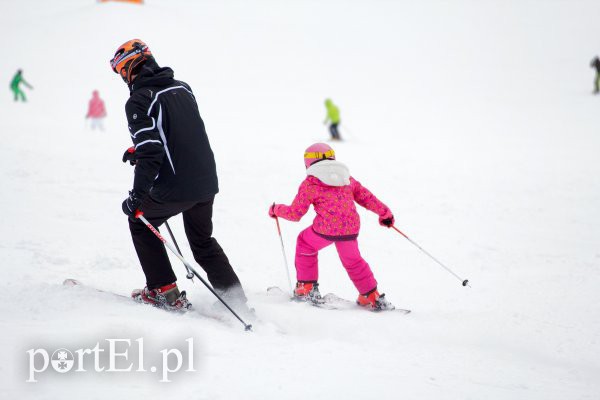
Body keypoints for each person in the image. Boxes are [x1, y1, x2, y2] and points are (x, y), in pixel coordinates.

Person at [110, 39, 248, 311]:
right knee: (202, 241)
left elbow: (152, 152)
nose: (121, 78)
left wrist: (137, 196)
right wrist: (140, 149)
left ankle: (165, 293)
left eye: (120, 72)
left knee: (140, 221)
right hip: (205, 181)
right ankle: (236, 301)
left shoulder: (139, 99)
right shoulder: (182, 88)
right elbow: (178, 135)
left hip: (177, 186)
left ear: (128, 69)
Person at [268, 142, 395, 310]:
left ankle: (306, 288)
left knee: (305, 242)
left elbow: (295, 213)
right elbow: (366, 197)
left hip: (325, 228)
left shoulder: (311, 183)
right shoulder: (346, 178)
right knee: (353, 261)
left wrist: (276, 209)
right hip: (350, 228)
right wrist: (384, 213)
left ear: (308, 162)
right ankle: (370, 295)